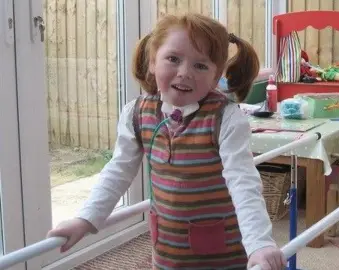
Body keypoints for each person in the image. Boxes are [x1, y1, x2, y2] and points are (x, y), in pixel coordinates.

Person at [47, 13, 287, 270]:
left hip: (223, 257)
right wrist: (86, 218)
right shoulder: (136, 114)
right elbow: (118, 170)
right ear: (152, 62)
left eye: (201, 66)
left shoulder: (225, 118)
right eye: (173, 59)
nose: (185, 73)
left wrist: (260, 244)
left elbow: (244, 184)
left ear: (217, 76)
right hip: (167, 253)